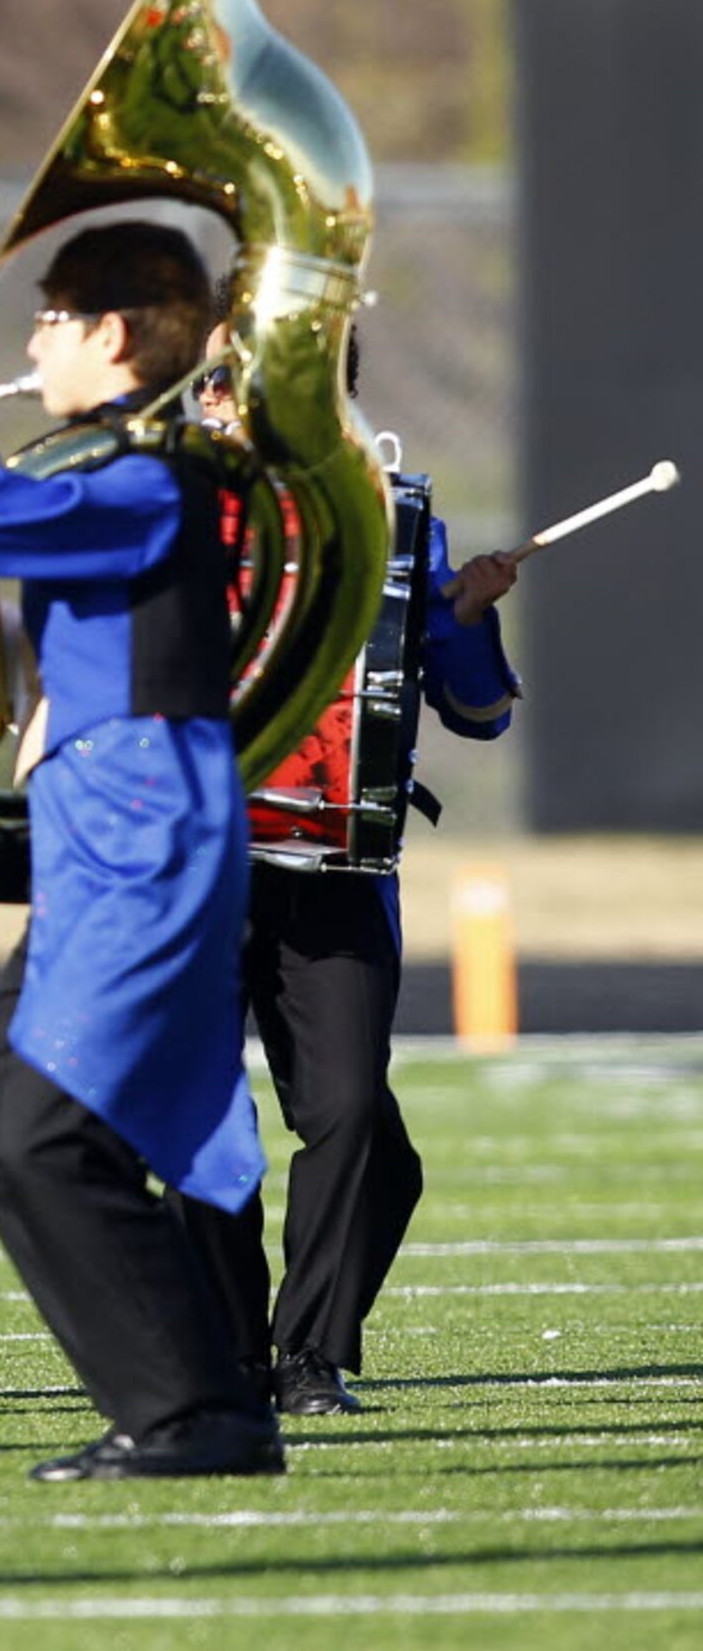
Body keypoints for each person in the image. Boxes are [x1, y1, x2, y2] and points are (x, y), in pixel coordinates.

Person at [0, 220, 281, 1482]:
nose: (31, 341)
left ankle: (197, 1414)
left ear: (110, 333)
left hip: (141, 823)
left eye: (49, 317)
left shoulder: (155, 471)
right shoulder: (122, 459)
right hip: (97, 827)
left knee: (50, 1133)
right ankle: (192, 1403)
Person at [182, 333, 521, 1417]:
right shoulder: (164, 503)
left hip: (336, 865)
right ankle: (234, 1352)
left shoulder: (387, 512)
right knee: (198, 1122)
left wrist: (462, 616)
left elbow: (475, 712)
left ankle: (306, 1354)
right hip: (193, 865)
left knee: (355, 1122)